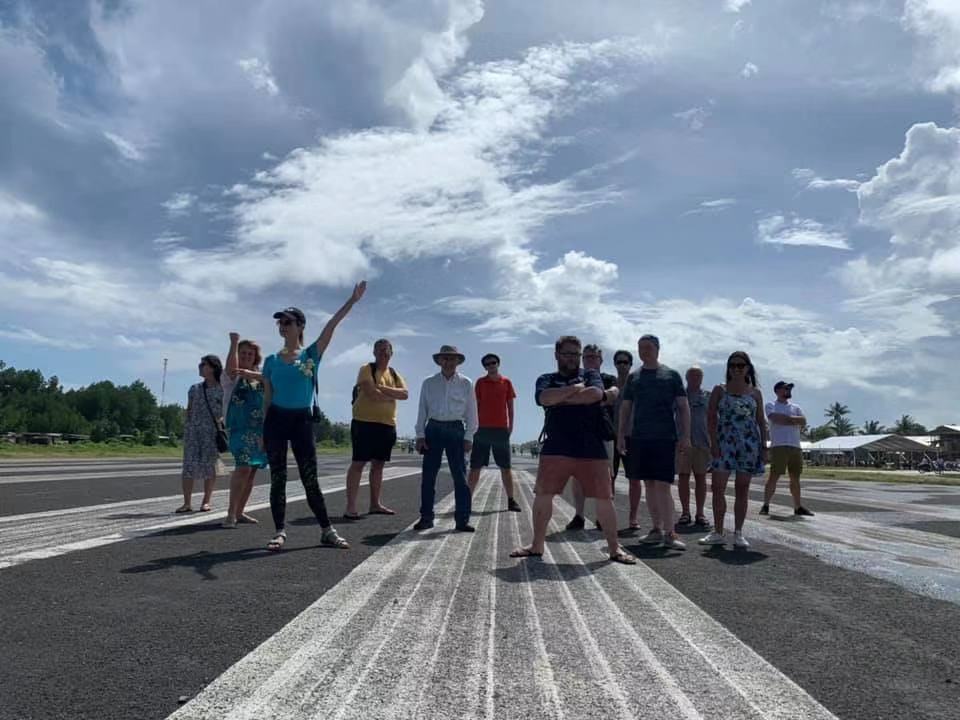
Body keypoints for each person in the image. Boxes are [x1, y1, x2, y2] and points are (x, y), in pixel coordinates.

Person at [511, 336, 636, 564]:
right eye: (567, 353)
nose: (572, 358)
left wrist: (562, 398)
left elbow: (595, 395)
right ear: (557, 355)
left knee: (604, 498)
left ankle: (614, 549)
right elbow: (544, 398)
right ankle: (537, 545)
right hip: (556, 445)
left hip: (591, 445)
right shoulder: (546, 378)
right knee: (543, 495)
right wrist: (574, 390)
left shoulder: (590, 375)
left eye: (576, 355)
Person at [262, 282, 366, 552]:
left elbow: (331, 326)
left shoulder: (311, 354)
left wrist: (351, 301)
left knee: (310, 478)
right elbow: (267, 397)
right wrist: (264, 430)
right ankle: (279, 531)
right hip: (275, 420)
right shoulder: (271, 360)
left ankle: (326, 530)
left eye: (288, 321)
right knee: (278, 478)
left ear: (300, 326)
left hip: (301, 421)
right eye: (280, 323)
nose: (283, 326)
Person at [617, 334, 690, 550]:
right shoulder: (634, 377)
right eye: (640, 348)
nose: (644, 351)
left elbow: (683, 407)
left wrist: (686, 436)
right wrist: (621, 434)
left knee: (663, 485)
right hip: (639, 438)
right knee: (648, 484)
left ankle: (670, 532)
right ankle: (656, 529)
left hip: (665, 438)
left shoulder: (671, 375)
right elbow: (626, 407)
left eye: (648, 347)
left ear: (657, 349)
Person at [698, 352, 767, 548]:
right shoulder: (719, 390)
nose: (737, 369)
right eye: (733, 365)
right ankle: (718, 531)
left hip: (748, 444)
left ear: (748, 368)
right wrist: (713, 443)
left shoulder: (755, 393)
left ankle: (738, 532)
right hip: (724, 442)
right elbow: (711, 418)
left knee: (742, 488)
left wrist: (764, 447)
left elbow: (761, 421)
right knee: (718, 487)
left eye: (741, 365)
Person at [414, 345, 479, 532]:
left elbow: (472, 412)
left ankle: (462, 520)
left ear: (458, 361)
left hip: (456, 429)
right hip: (433, 428)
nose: (448, 362)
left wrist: (469, 436)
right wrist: (420, 435)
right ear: (439, 361)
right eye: (445, 358)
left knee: (460, 477)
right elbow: (422, 410)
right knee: (428, 477)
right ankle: (426, 518)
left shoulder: (466, 383)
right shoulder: (429, 383)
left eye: (452, 359)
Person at [343, 338, 408, 519]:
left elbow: (405, 394)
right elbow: (372, 394)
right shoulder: (366, 369)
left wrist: (382, 388)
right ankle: (351, 507)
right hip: (364, 423)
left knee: (378, 465)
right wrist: (390, 394)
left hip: (387, 425)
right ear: (374, 352)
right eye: (379, 350)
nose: (383, 353)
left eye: (386, 350)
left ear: (391, 353)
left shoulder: (394, 374)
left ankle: (375, 504)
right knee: (358, 463)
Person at [566, 344, 618, 530]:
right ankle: (578, 515)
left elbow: (612, 396)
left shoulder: (608, 378)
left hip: (602, 433)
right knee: (577, 475)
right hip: (578, 433)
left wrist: (588, 396)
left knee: (605, 477)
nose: (590, 360)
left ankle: (601, 516)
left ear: (601, 360)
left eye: (593, 357)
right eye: (586, 357)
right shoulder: (575, 378)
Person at [221, 334, 267, 528]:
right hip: (239, 428)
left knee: (252, 471)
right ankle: (230, 514)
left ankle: (240, 512)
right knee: (243, 467)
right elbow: (231, 368)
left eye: (250, 353)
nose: (247, 356)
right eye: (243, 353)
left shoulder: (260, 376)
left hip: (259, 429)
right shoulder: (233, 375)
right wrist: (233, 343)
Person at [467, 353, 520, 512]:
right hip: (481, 430)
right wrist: (472, 426)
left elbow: (510, 406)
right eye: (487, 364)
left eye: (493, 363)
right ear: (485, 367)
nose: (491, 366)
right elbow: (475, 406)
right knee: (475, 466)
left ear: (498, 363)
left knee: (506, 467)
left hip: (500, 430)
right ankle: (467, 500)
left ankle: (511, 500)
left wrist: (510, 427)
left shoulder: (506, 382)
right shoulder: (480, 382)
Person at [176, 354, 226, 513]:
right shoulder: (194, 389)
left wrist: (221, 424)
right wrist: (189, 426)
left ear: (213, 367)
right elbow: (189, 410)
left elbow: (226, 410)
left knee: (209, 467)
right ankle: (187, 503)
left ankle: (206, 501)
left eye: (204, 364)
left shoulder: (222, 389)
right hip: (193, 432)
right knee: (188, 466)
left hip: (211, 432)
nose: (200, 366)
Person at [761, 381, 814, 517]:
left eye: (789, 388)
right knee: (774, 476)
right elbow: (774, 418)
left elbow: (803, 421)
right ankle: (766, 505)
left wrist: (787, 419)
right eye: (786, 388)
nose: (789, 390)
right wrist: (793, 420)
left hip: (795, 446)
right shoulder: (771, 405)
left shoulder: (796, 407)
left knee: (795, 477)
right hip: (779, 445)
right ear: (778, 390)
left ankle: (797, 506)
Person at [677, 366, 711, 529]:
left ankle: (700, 513)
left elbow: (713, 418)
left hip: (702, 442)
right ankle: (685, 512)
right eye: (692, 375)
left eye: (699, 375)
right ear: (686, 377)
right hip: (683, 441)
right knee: (683, 477)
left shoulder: (708, 396)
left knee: (701, 477)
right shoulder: (679, 396)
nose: (696, 378)